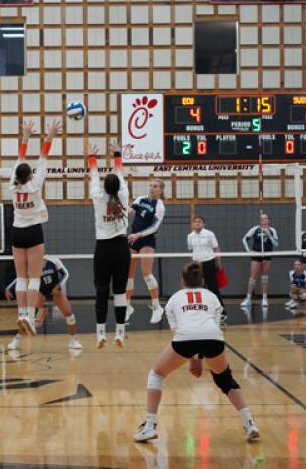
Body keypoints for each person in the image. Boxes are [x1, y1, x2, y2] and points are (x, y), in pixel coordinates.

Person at [134, 262, 260, 444]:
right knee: (224, 379)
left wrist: (193, 360)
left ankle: (150, 425)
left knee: (157, 374)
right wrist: (199, 358)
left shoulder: (174, 299)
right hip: (213, 337)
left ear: (182, 281)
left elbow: (180, 335)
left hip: (185, 338)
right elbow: (210, 330)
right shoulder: (212, 297)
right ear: (203, 281)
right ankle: (249, 423)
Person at [10, 119, 62, 336]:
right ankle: (30, 316)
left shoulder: (12, 184)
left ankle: (22, 314)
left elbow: (21, 158)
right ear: (30, 175)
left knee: (21, 277)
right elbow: (44, 155)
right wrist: (50, 134)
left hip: (16, 230)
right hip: (33, 231)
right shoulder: (36, 183)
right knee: (35, 278)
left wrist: (25, 136)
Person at [88, 141, 130, 348]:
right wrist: (116, 154)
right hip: (121, 248)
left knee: (102, 292)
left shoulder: (97, 196)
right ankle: (120, 334)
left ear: (104, 186)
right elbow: (118, 171)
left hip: (103, 249)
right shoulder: (123, 193)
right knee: (120, 293)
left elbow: (94, 175)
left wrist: (92, 157)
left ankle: (100, 334)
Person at [5, 256, 82, 351]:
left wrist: (59, 285)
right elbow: (20, 278)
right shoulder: (31, 265)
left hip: (55, 290)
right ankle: (17, 339)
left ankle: (73, 340)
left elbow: (65, 274)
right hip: (41, 292)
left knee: (69, 315)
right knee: (28, 318)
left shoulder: (53, 260)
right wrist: (9, 287)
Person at [125, 179, 165, 325]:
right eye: (150, 185)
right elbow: (131, 209)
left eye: (155, 186)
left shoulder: (159, 205)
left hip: (146, 240)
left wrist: (139, 235)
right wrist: (128, 210)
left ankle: (156, 306)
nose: (152, 188)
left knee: (145, 272)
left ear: (161, 190)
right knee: (128, 273)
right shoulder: (141, 198)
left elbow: (155, 227)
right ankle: (127, 306)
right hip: (132, 238)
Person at [187, 216, 227, 325]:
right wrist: (192, 265)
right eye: (195, 222)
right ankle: (202, 314)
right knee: (199, 289)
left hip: (209, 263)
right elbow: (191, 251)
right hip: (197, 265)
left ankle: (222, 313)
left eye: (200, 222)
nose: (197, 223)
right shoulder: (190, 236)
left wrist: (218, 263)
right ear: (192, 224)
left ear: (204, 224)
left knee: (213, 288)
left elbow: (216, 249)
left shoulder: (209, 234)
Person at [241, 214, 279, 307]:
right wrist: (248, 251)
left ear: (268, 220)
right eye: (262, 218)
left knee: (265, 277)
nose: (263, 219)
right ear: (260, 220)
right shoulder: (255, 229)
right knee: (253, 278)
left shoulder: (272, 230)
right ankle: (248, 298)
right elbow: (244, 239)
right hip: (257, 254)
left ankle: (265, 299)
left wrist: (269, 235)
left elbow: (276, 244)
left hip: (267, 255)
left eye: (265, 218)